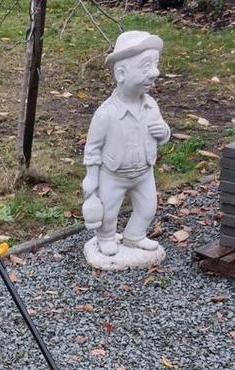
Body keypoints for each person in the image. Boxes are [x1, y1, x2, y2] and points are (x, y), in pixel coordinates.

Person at [82, 31, 170, 258]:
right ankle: (106, 238)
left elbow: (162, 132)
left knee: (148, 208)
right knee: (109, 212)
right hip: (113, 174)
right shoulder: (106, 114)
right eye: (146, 67)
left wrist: (164, 132)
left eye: (156, 65)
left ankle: (135, 235)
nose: (155, 73)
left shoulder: (151, 105)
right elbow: (92, 149)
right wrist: (92, 177)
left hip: (144, 172)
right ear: (121, 73)